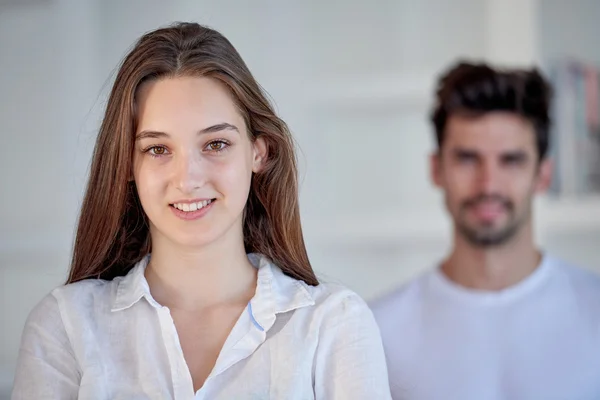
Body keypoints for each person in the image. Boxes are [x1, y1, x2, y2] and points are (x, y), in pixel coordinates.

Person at [12, 22, 391, 399]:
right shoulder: (65, 326)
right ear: (127, 165)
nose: (188, 179)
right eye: (158, 149)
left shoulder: (333, 326)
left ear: (259, 152)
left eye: (215, 144)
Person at [370, 61, 600, 399]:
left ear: (544, 174)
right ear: (437, 169)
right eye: (467, 158)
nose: (488, 184)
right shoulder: (379, 331)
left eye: (511, 160)